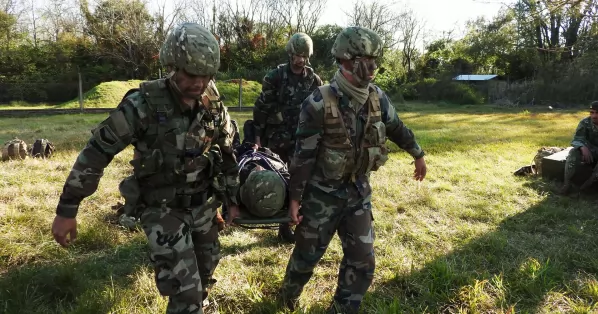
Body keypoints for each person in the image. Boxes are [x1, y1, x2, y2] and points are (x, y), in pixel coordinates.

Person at [50, 23, 241, 314]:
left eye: (206, 75)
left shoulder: (211, 102)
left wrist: (231, 199)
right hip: (163, 209)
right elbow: (96, 153)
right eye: (191, 74)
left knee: (204, 276)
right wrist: (67, 209)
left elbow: (227, 149)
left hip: (203, 205)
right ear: (172, 65)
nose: (199, 83)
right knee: (185, 294)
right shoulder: (143, 105)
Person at [277, 26, 428, 313]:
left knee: (363, 260)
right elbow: (303, 156)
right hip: (321, 196)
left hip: (358, 193)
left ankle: (343, 308)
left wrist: (417, 153)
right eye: (363, 59)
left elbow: (396, 127)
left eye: (374, 59)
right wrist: (296, 198)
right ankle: (288, 296)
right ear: (346, 61)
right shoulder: (319, 102)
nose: (371, 67)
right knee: (306, 256)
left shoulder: (377, 98)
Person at [252, 32, 324, 242]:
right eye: (297, 55)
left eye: (304, 55)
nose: (300, 60)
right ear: (290, 54)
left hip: (303, 141)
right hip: (277, 140)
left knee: (301, 181)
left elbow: (321, 110)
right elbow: (261, 108)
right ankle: (283, 225)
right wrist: (257, 137)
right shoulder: (275, 77)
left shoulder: (313, 79)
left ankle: (298, 223)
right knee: (281, 181)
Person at [558, 101, 598, 194]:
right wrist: (582, 147)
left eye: (597, 113)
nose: (594, 116)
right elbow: (578, 138)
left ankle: (587, 186)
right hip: (591, 150)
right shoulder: (585, 122)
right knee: (573, 152)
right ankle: (567, 184)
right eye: (592, 112)